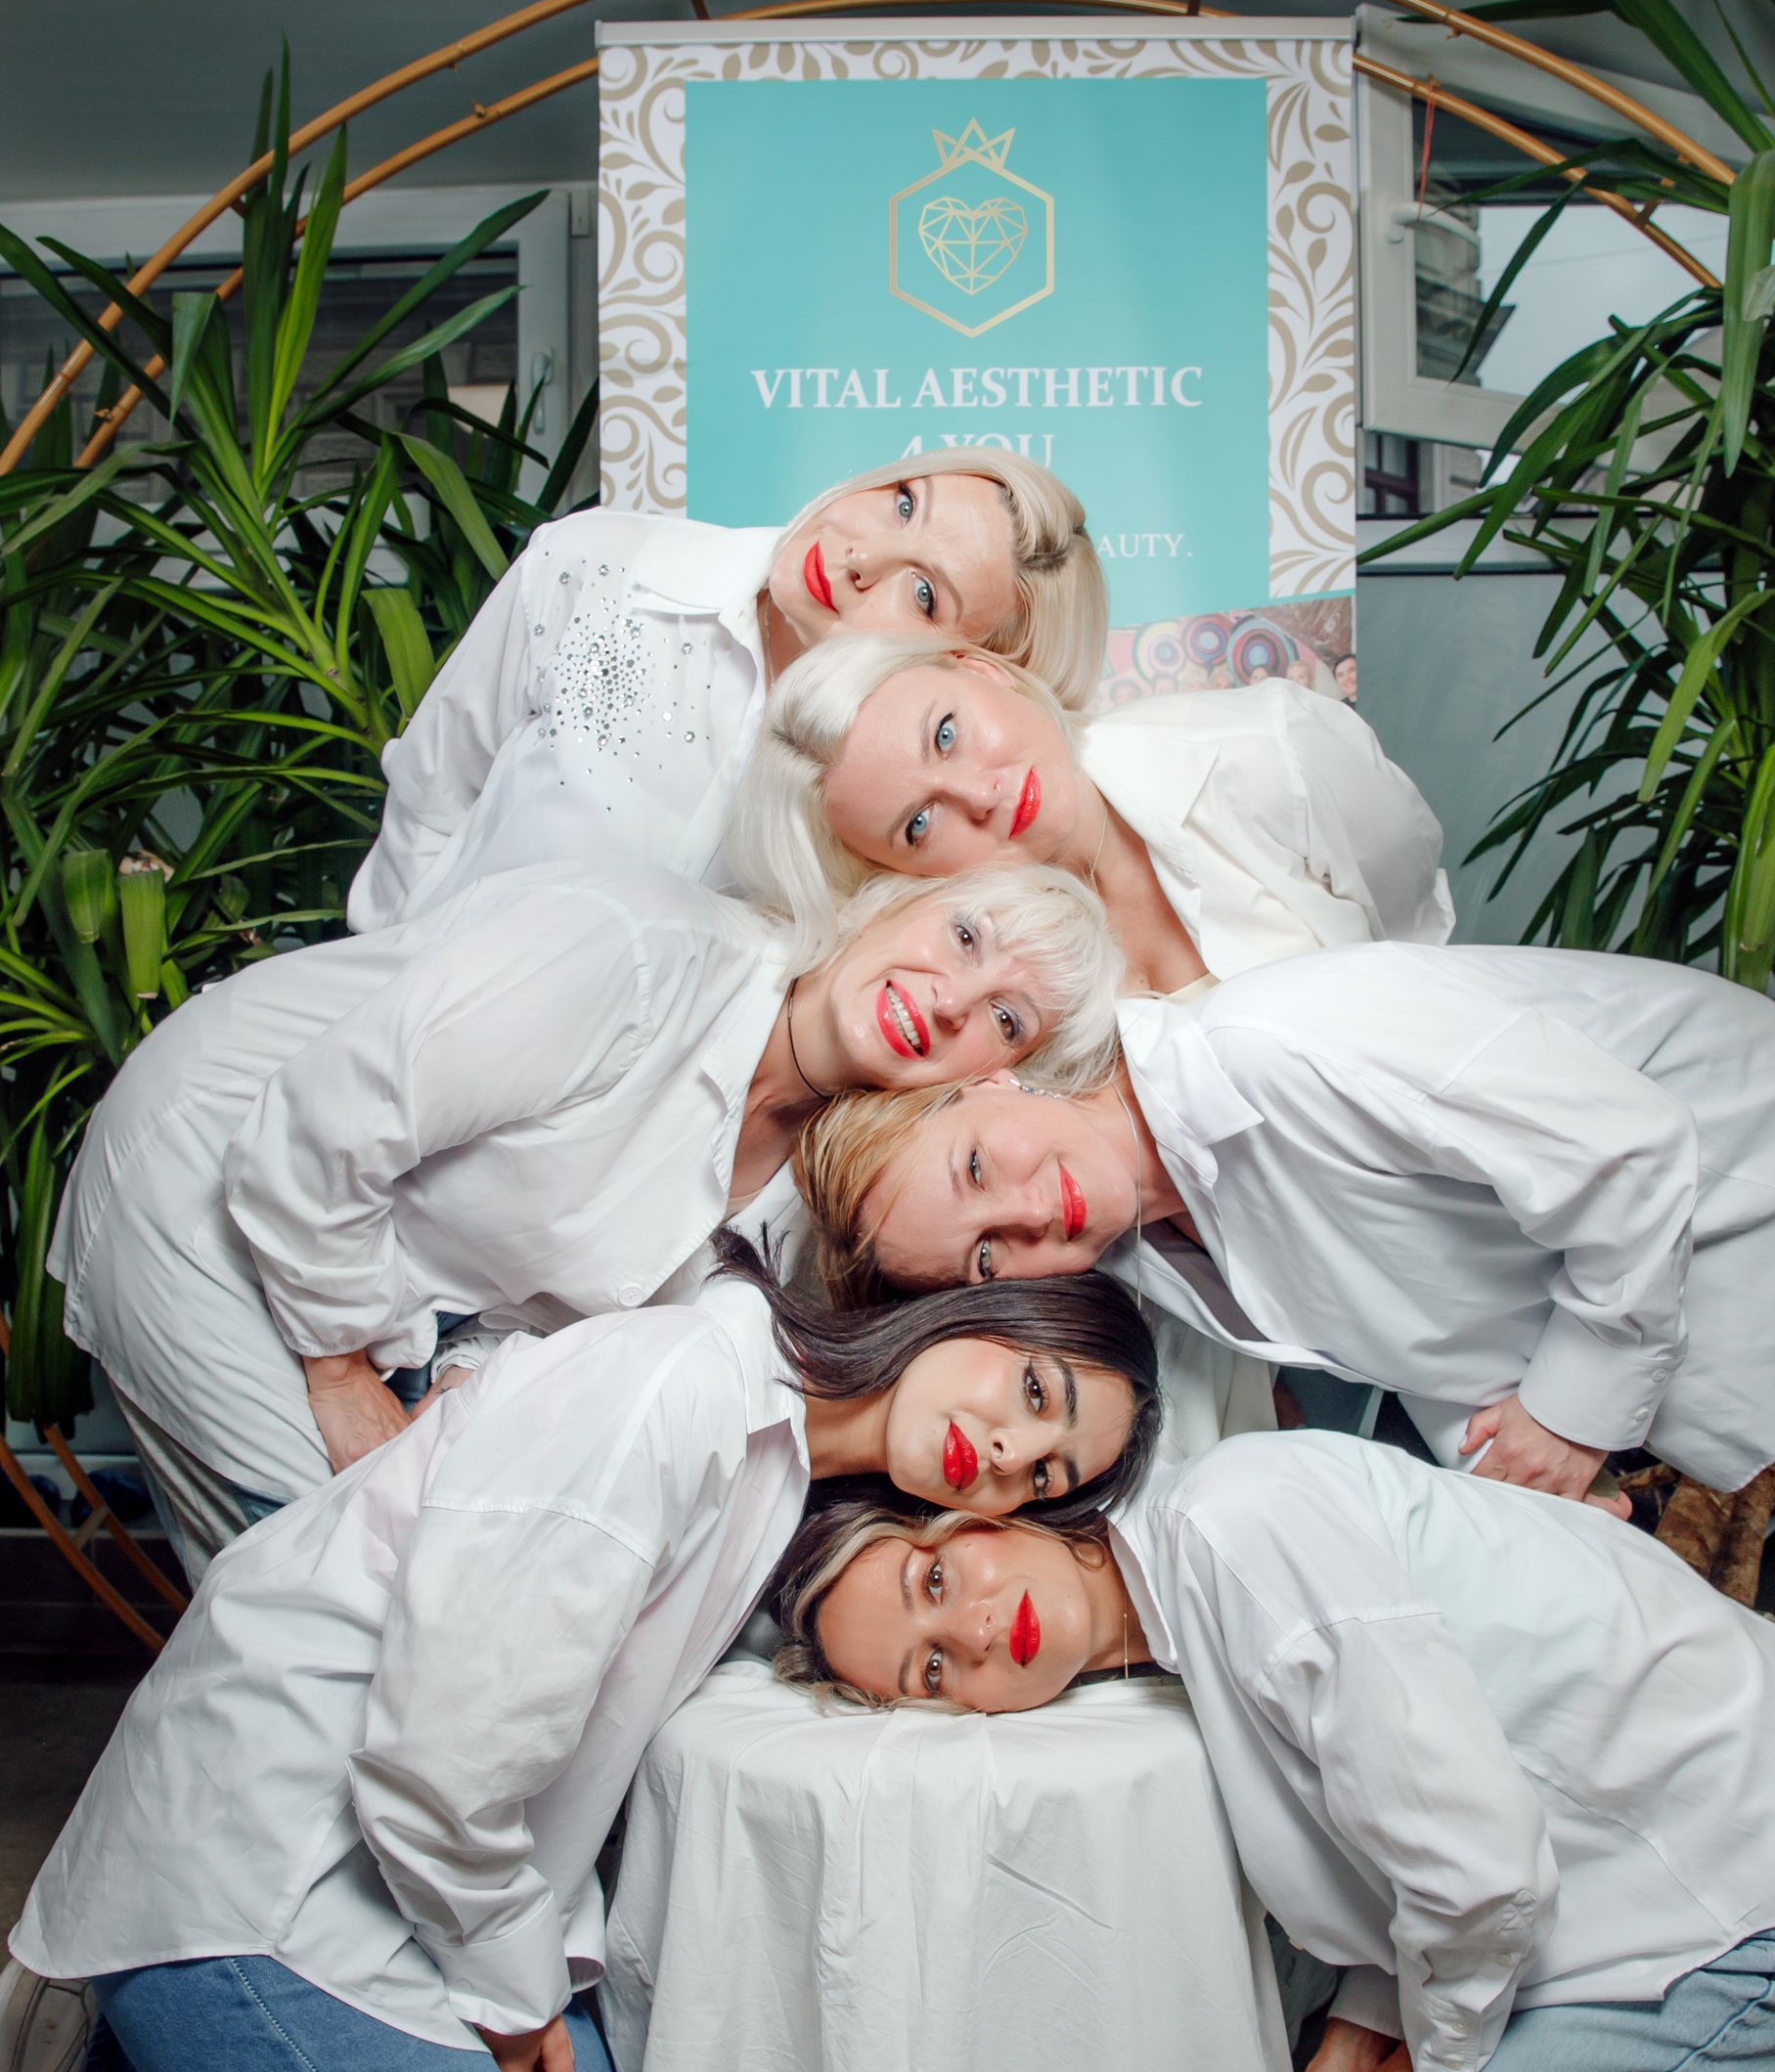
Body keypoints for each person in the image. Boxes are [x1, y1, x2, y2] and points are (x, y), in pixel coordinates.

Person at [0, 1249, 1161, 2072]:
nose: (1004, 1455)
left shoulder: (778, 1471)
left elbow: (544, 1757)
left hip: (399, 1891)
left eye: (1045, 1475)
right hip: (255, 1876)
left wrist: (528, 1970)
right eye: (1034, 1394)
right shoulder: (681, 1390)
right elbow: (435, 1762)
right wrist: (517, 2004)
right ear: (972, 1313)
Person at [776, 1431, 1775, 2072]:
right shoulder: (1180, 1630)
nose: (970, 1630)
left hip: (1768, 1889)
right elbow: (1393, 1824)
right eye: (931, 1670)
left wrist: (1439, 2060)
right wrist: (1360, 2029)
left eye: (935, 1581)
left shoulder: (1233, 1522)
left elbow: (1478, 1868)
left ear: (978, 1522)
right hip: (1650, 1885)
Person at [52, 858, 1120, 1581]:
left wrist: (463, 1395)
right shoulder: (644, 949)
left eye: (1005, 1018)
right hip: (208, 1181)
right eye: (965, 934)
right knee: (325, 1590)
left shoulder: (797, 1201)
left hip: (387, 1307)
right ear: (895, 899)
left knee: (430, 1599)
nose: (949, 999)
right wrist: (340, 1375)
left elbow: (547, 1304)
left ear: (997, 1079)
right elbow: (327, 1121)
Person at [794, 943, 1775, 1559]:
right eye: (988, 1259)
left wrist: (1569, 1420)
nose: (1029, 1218)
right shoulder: (1163, 1250)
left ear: (995, 1081)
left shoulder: (1270, 1042)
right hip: (1714, 1278)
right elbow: (1436, 1318)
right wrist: (1525, 1475)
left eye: (979, 1167)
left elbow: (1629, 1153)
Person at [346, 457, 1107, 934]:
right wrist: (379, 984)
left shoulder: (913, 820)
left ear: (963, 664)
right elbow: (432, 791)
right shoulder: (600, 563)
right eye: (905, 503)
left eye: (922, 592)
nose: (859, 556)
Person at [732, 632, 1452, 989]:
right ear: (896, 873)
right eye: (919, 824)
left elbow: (1418, 924)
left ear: (978, 668)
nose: (980, 796)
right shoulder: (988, 994)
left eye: (947, 734)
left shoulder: (1271, 748)